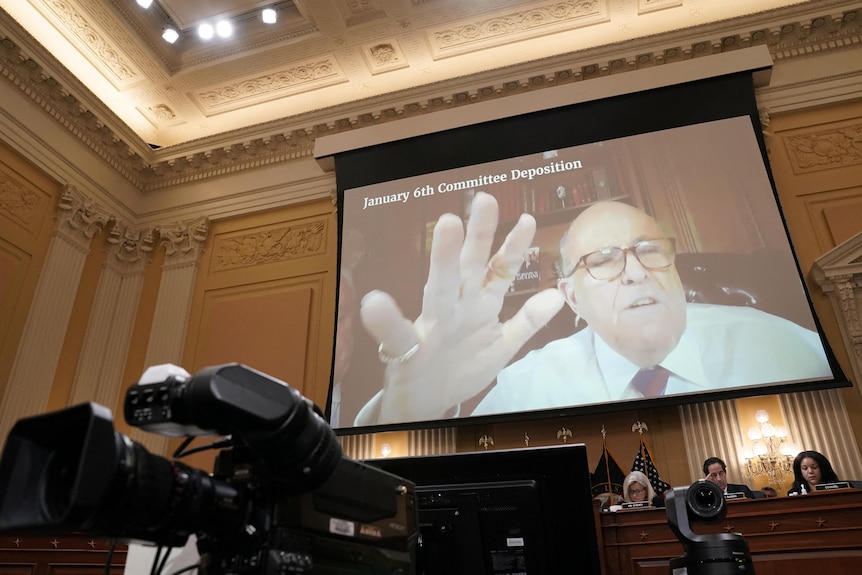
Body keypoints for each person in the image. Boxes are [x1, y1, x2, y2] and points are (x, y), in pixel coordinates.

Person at [355, 194, 832, 425]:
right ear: (572, 298)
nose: (635, 271)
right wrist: (411, 417)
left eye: (649, 250)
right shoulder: (528, 388)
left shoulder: (785, 347)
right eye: (603, 260)